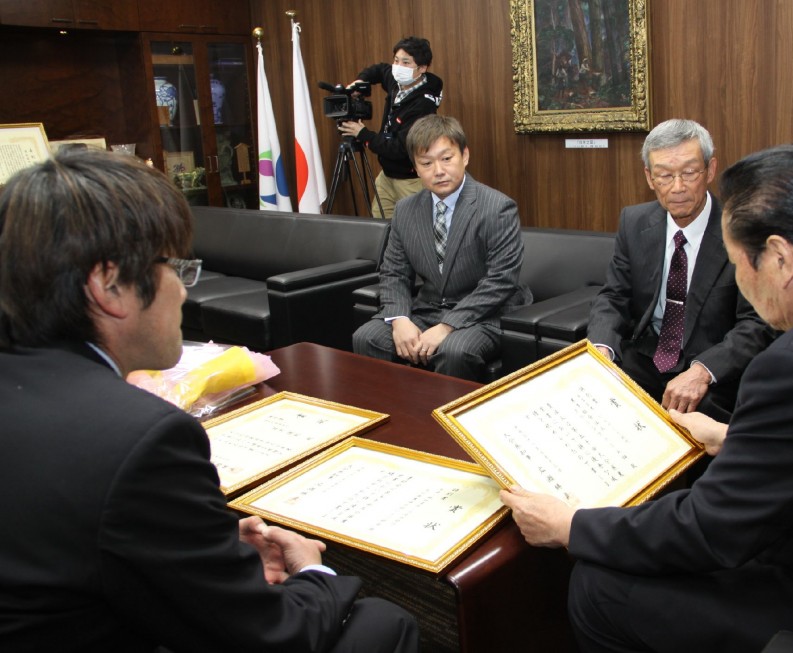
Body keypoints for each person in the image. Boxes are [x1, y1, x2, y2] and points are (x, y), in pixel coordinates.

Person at [501, 143, 793, 651]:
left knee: (600, 588)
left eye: (735, 263)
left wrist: (570, 525)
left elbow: (708, 531)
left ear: (778, 258)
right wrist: (731, 438)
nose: (742, 282)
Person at [0, 149, 419, 653]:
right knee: (381, 621)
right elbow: (275, 636)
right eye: (173, 266)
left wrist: (204, 549)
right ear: (109, 285)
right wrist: (316, 569)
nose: (182, 289)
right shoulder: (141, 439)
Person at [588, 118, 773, 422]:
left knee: (696, 431)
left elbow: (757, 324)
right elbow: (613, 297)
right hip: (646, 356)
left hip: (710, 366)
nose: (677, 188)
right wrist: (602, 350)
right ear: (649, 177)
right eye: (664, 175)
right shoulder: (634, 222)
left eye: (689, 173)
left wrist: (703, 371)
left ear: (710, 170)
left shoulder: (745, 230)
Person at [353, 114, 531, 382]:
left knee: (455, 350)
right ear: (415, 167)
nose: (438, 170)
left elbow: (501, 281)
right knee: (367, 337)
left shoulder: (497, 207)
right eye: (426, 163)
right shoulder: (406, 210)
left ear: (465, 156)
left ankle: (443, 424)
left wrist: (448, 325)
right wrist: (399, 319)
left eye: (447, 159)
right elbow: (393, 273)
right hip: (428, 310)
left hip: (486, 313)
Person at [338, 36, 443, 219]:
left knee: (415, 233)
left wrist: (363, 134)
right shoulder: (397, 82)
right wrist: (360, 82)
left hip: (411, 180)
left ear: (422, 68)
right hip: (386, 176)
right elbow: (379, 70)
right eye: (396, 60)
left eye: (406, 62)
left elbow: (400, 148)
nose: (398, 67)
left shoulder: (423, 106)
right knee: (381, 228)